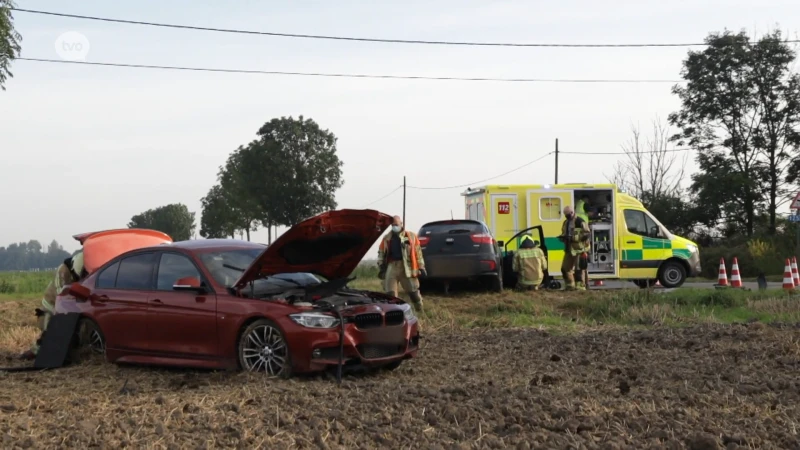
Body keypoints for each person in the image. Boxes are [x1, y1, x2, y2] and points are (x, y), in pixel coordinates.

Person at [19, 251, 86, 360]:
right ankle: (36, 352)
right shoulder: (63, 272)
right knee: (49, 330)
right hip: (51, 305)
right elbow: (63, 298)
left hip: (62, 302)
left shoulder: (83, 262)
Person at [377, 216, 426, 312]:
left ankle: (420, 310)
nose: (395, 226)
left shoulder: (411, 236)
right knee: (390, 294)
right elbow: (381, 252)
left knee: (413, 292)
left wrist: (421, 267)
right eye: (393, 225)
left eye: (396, 224)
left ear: (401, 224)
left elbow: (418, 253)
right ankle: (395, 313)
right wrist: (381, 264)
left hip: (406, 267)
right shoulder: (387, 238)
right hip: (392, 267)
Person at [560, 206, 590, 291]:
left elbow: (587, 234)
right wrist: (563, 237)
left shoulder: (579, 221)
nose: (567, 216)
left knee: (579, 269)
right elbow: (563, 233)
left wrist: (575, 238)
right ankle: (570, 285)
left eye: (568, 214)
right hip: (569, 249)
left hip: (579, 250)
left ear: (572, 213)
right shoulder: (565, 222)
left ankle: (580, 287)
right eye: (565, 215)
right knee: (565, 268)